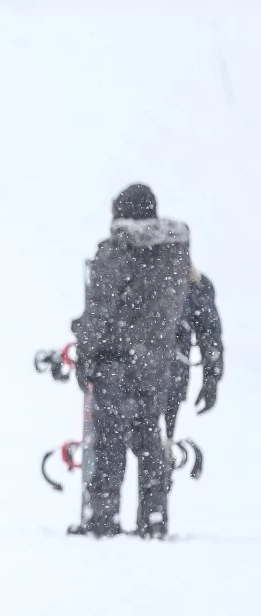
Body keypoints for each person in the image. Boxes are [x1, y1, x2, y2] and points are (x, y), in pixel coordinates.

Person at [70, 183, 191, 539]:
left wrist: (85, 355)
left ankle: (102, 519)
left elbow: (100, 312)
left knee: (109, 442)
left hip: (115, 362)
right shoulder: (175, 251)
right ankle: (153, 516)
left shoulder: (116, 251)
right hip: (157, 361)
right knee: (149, 437)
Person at [164, 269, 223, 440]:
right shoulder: (191, 282)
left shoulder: (192, 283)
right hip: (132, 384)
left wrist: (212, 373)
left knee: (158, 448)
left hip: (168, 382)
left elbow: (209, 333)